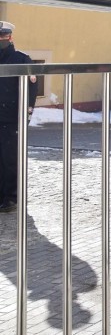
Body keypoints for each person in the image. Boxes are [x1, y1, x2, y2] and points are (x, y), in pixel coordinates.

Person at [0, 21, 37, 213]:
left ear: (10, 37)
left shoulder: (21, 59)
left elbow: (31, 89)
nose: (1, 40)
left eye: (4, 36)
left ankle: (11, 197)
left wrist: (26, 114)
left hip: (12, 119)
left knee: (10, 159)